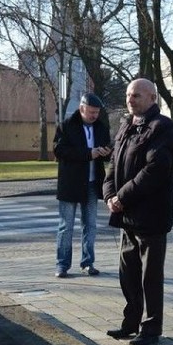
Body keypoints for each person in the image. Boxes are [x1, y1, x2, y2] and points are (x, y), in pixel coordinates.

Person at [103, 78, 173, 345]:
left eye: (136, 95)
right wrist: (110, 195)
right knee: (129, 273)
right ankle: (130, 322)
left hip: (151, 216)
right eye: (128, 94)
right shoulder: (126, 125)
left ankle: (151, 328)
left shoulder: (162, 127)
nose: (130, 99)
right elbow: (112, 164)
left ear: (152, 98)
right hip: (127, 217)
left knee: (150, 276)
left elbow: (155, 170)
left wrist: (122, 197)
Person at [53, 93, 111, 278]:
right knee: (66, 226)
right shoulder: (66, 125)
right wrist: (88, 153)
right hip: (70, 184)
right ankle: (62, 265)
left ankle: (88, 262)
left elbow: (106, 155)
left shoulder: (101, 127)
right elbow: (59, 150)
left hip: (93, 184)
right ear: (82, 108)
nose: (95, 115)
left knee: (91, 225)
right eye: (92, 112)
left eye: (97, 112)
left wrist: (106, 152)